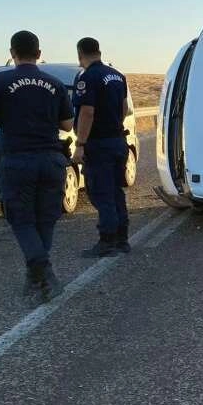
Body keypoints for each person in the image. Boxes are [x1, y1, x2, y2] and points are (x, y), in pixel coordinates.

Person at [0, 31, 74, 302]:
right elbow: (68, 124)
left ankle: (42, 271)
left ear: (12, 53)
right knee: (46, 219)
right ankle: (37, 277)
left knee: (22, 220)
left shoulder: (0, 80)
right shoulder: (54, 83)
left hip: (19, 160)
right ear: (39, 54)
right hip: (51, 159)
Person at [71, 37, 130, 257]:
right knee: (115, 191)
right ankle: (122, 240)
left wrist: (80, 144)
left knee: (101, 193)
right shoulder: (117, 75)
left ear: (80, 53)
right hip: (117, 141)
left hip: (99, 144)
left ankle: (107, 242)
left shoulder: (88, 77)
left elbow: (87, 112)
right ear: (99, 51)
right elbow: (124, 108)